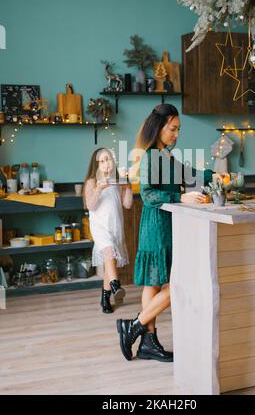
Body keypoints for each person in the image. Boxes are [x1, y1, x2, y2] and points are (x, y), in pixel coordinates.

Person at [116, 104, 213, 362]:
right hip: (157, 225)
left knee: (154, 282)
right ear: (159, 127)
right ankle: (135, 326)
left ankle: (147, 342)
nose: (177, 134)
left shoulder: (166, 156)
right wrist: (180, 195)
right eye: (173, 129)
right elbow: (148, 194)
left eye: (178, 129)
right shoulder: (151, 157)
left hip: (165, 225)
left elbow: (191, 175)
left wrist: (216, 174)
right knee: (176, 283)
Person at [83, 148, 133, 313]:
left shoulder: (117, 182)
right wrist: (99, 189)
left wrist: (127, 187)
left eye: (109, 159)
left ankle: (105, 298)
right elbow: (90, 205)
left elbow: (127, 204)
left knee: (109, 261)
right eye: (102, 161)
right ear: (96, 165)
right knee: (109, 252)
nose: (106, 163)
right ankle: (115, 286)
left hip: (115, 226)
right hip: (99, 226)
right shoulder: (92, 181)